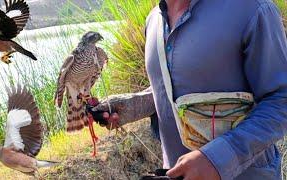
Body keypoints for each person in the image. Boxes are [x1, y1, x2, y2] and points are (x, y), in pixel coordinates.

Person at [92, 0, 287, 179]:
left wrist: (218, 158)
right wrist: (134, 105)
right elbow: (171, 87)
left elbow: (281, 99)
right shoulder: (153, 21)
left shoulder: (251, 9)